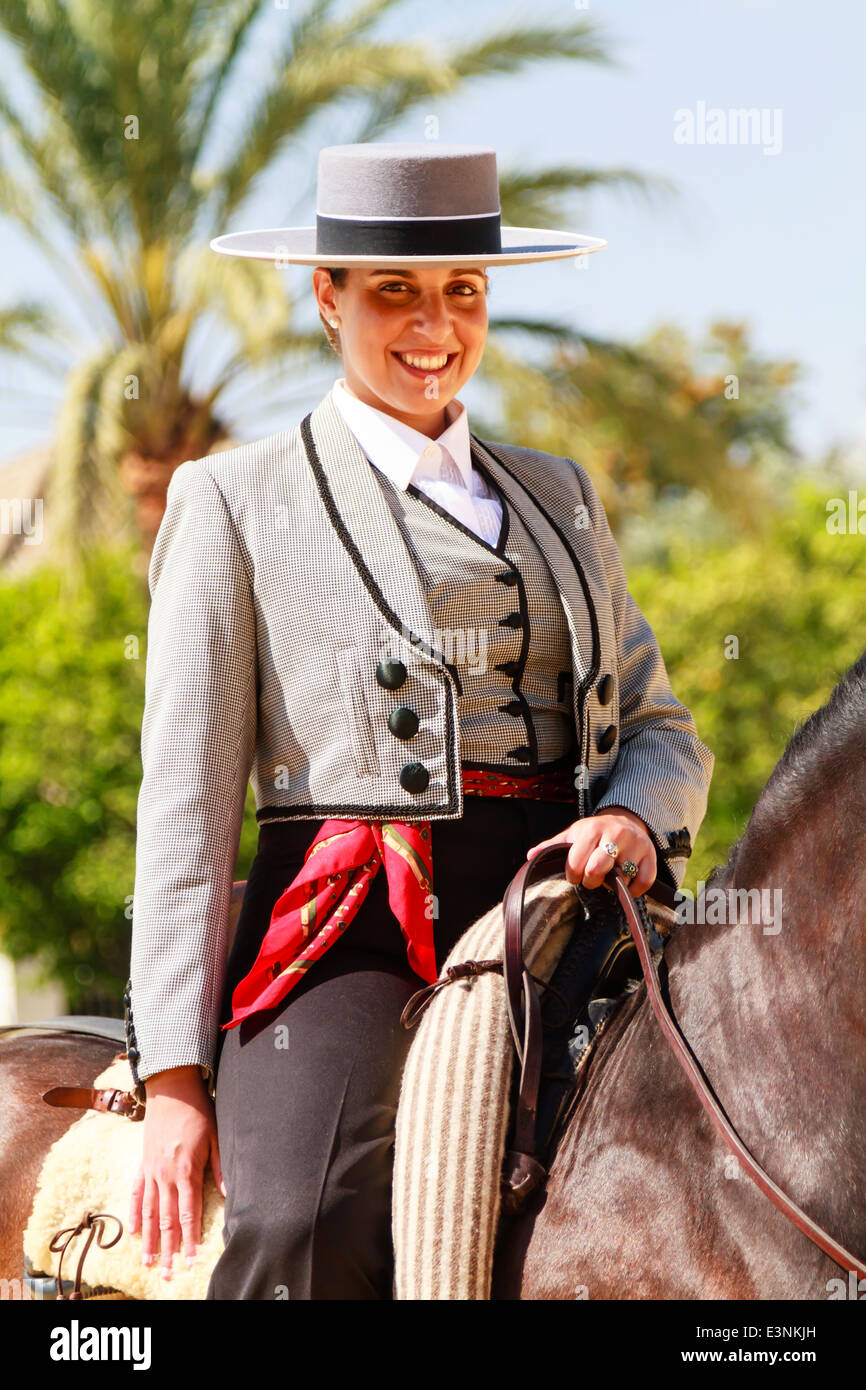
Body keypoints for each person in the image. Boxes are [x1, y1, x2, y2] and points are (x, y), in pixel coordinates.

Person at [123, 142, 714, 1299]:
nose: (432, 323)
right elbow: (183, 812)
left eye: (462, 291)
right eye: (394, 289)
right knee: (305, 1218)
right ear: (327, 296)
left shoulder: (561, 495)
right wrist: (175, 1084)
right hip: (352, 922)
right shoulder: (233, 499)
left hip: (570, 900)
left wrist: (641, 817)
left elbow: (659, 727)